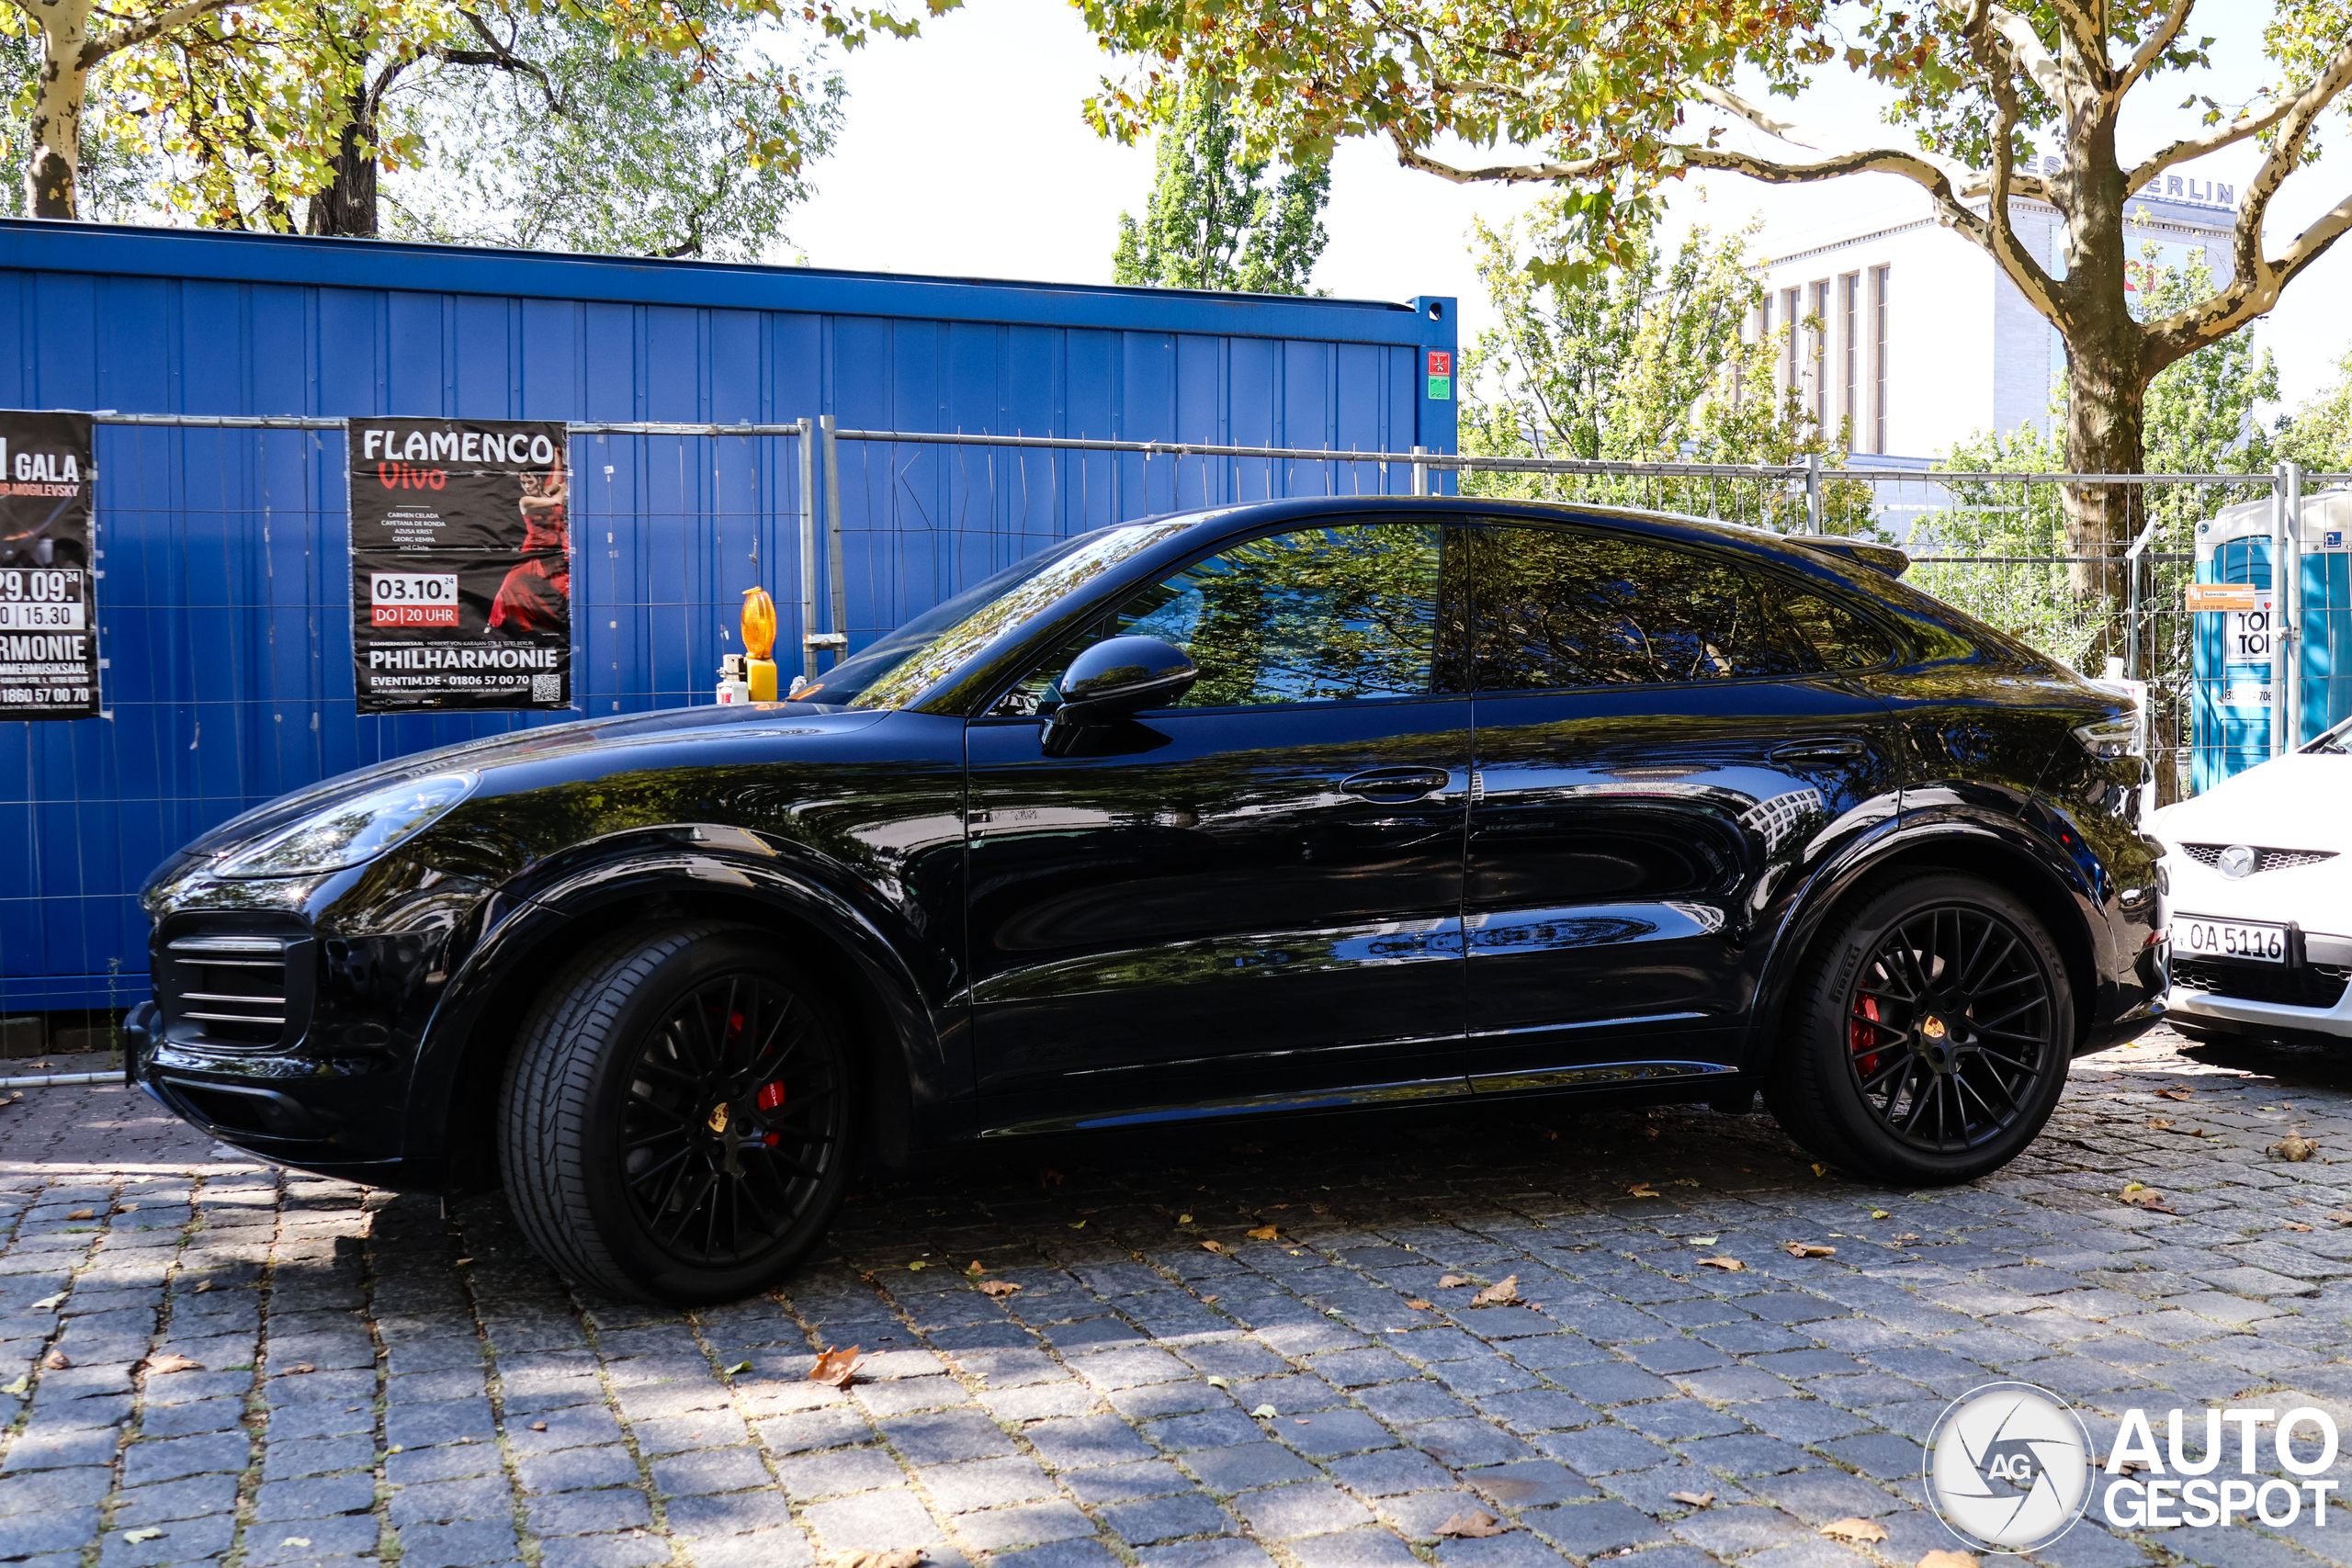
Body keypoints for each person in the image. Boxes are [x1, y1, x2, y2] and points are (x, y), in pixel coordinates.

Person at [488, 463, 571, 637]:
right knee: (509, 584)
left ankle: (563, 627)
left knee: (564, 589)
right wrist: (564, 489)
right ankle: (493, 624)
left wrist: (557, 456)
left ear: (538, 480)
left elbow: (555, 480)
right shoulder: (525, 501)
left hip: (555, 551)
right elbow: (557, 500)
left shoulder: (545, 492)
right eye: (523, 483)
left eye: (529, 482)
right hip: (534, 550)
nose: (526, 487)